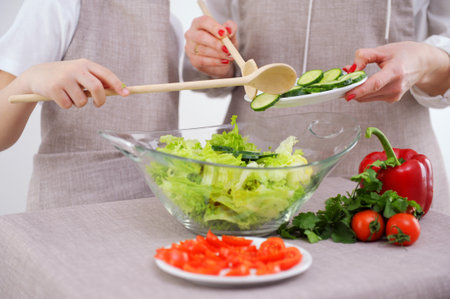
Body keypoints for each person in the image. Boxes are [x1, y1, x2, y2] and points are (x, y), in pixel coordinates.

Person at [183, 0, 450, 213]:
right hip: (253, 177)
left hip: (394, 177)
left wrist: (425, 61)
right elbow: (216, 70)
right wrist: (211, 54)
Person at [0, 0, 182, 210]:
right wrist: (29, 80)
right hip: (68, 212)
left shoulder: (171, 25)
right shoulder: (59, 5)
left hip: (156, 211)